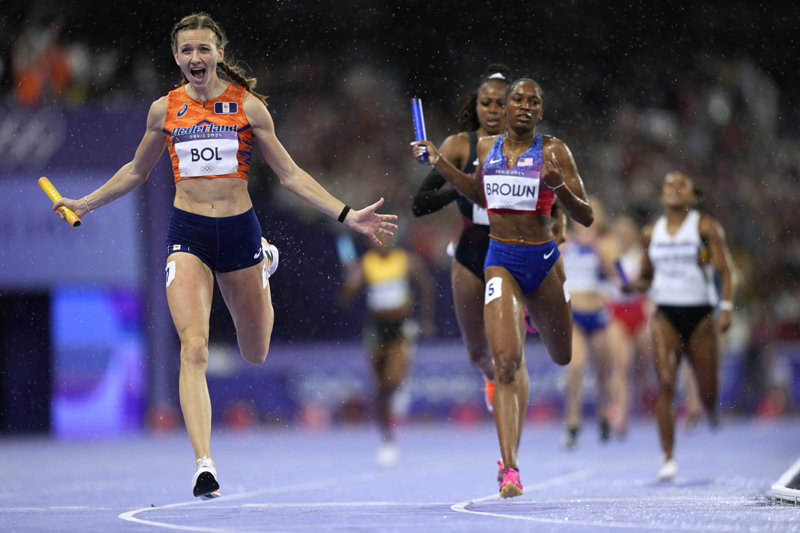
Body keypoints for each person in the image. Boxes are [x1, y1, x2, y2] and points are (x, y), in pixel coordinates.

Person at [50, 12, 397, 498]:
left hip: (240, 235)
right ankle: (203, 464)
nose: (196, 58)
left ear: (219, 54)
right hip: (187, 233)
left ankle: (265, 263)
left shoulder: (249, 107)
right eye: (187, 50)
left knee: (255, 352)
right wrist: (83, 202)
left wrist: (347, 214)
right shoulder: (163, 110)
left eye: (204, 49)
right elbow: (135, 171)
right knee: (194, 348)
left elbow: (291, 175)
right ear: (177, 57)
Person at [412, 77, 593, 498]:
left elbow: (585, 216)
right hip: (501, 262)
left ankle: (532, 313)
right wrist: (439, 161)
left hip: (542, 262)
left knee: (562, 356)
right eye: (518, 100)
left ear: (540, 112)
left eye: (534, 101)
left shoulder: (554, 151)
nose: (524, 106)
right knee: (506, 364)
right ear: (507, 109)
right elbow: (479, 193)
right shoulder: (484, 149)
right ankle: (510, 469)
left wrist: (558, 186)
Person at [411, 63, 511, 412]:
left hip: (512, 253)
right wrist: (462, 185)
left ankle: (509, 443)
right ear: (477, 105)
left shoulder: (530, 148)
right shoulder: (458, 146)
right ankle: (490, 377)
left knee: (507, 351)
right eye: (486, 103)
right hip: (470, 255)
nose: (493, 111)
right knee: (478, 352)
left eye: (501, 104)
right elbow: (419, 205)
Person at [624, 171, 735, 481]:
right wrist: (634, 285)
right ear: (661, 196)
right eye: (668, 185)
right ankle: (668, 457)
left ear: (692, 197)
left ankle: (706, 403)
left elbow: (726, 271)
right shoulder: (651, 233)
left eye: (681, 185)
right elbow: (647, 276)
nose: (673, 189)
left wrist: (725, 308)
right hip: (666, 314)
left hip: (700, 316)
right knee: (667, 381)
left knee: (710, 396)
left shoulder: (704, 228)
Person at [336, 234, 435, 466]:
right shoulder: (366, 263)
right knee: (380, 388)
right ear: (371, 242)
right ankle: (387, 439)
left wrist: (426, 319)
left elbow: (426, 285)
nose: (380, 242)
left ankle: (396, 404)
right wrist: (349, 280)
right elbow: (344, 298)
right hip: (376, 330)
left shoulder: (406, 260)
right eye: (376, 239)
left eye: (385, 238)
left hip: (401, 328)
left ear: (393, 240)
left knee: (393, 381)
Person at [559, 196, 617, 449]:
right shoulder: (564, 243)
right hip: (574, 315)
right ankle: (572, 422)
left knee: (603, 372)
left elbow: (621, 276)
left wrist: (601, 252)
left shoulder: (606, 244)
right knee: (575, 367)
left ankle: (604, 413)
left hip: (598, 315)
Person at [605, 212, 654, 436]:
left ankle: (643, 387)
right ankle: (621, 413)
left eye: (627, 231)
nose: (623, 235)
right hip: (618, 312)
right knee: (622, 364)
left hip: (639, 311)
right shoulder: (609, 255)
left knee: (644, 359)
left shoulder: (642, 257)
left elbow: (650, 285)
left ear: (633, 234)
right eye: (620, 232)